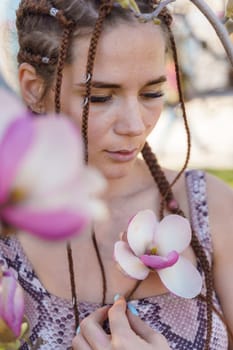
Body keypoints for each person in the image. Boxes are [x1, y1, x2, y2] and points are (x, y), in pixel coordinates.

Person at [0, 0, 233, 349]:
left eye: (153, 93)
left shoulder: (211, 209)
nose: (135, 125)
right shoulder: (9, 230)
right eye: (100, 97)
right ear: (33, 88)